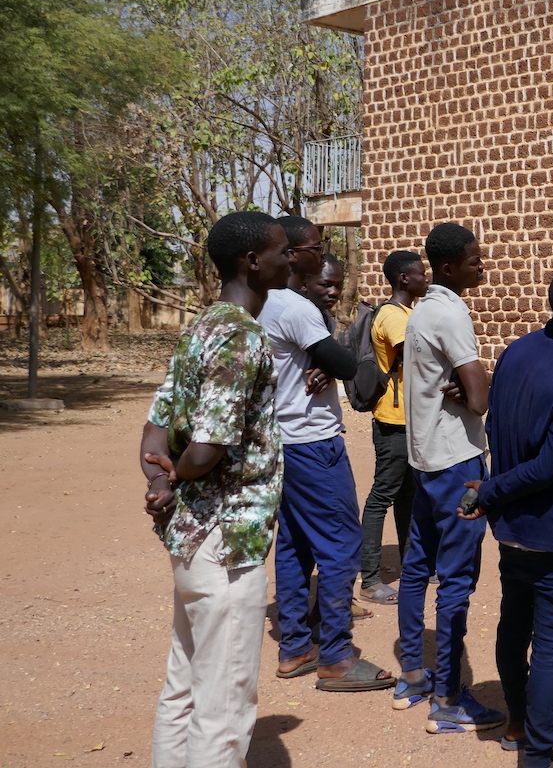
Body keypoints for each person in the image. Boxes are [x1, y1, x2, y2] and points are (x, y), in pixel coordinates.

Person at [139, 211, 289, 768]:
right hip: (228, 544)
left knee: (184, 686)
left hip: (190, 541)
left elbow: (154, 432)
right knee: (224, 707)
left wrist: (161, 477)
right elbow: (208, 447)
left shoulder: (200, 327)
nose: (289, 258)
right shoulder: (241, 336)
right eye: (280, 251)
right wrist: (180, 472)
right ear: (252, 262)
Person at [461, 265, 553, 768]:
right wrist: (492, 489)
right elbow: (548, 466)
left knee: (513, 625)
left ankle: (520, 723)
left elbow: (499, 428)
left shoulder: (516, 352)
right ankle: (538, 756)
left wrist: (492, 493)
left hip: (512, 527)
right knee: (550, 648)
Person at [262, 215, 392, 691]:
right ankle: (336, 656)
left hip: (282, 442)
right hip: (313, 445)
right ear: (293, 256)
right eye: (316, 248)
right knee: (341, 547)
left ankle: (296, 646)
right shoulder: (294, 308)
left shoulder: (263, 305)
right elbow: (345, 364)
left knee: (294, 546)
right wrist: (343, 351)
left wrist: (323, 359)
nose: (323, 253)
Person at [393, 223, 502, 732]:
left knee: (418, 566)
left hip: (426, 461)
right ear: (449, 268)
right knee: (456, 577)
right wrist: (475, 387)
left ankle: (414, 673)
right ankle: (449, 699)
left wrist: (463, 385)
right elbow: (479, 398)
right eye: (476, 260)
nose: (484, 265)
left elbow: (459, 386)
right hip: (457, 463)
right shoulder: (452, 315)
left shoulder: (421, 312)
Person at [358, 250, 427, 606]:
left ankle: (411, 562)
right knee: (381, 496)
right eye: (420, 273)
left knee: (407, 495)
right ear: (404, 279)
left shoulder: (406, 312)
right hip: (394, 420)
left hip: (407, 419)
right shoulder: (393, 316)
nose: (425, 278)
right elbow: (418, 357)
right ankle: (369, 579)